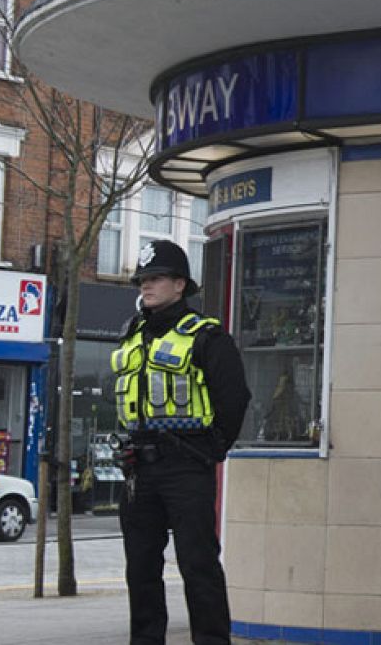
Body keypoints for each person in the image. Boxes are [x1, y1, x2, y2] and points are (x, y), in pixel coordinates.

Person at [113, 240, 251, 645]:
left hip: (186, 464)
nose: (146, 287)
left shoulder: (207, 336)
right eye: (142, 280)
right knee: (140, 567)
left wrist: (210, 450)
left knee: (198, 565)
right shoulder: (133, 334)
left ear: (179, 285)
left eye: (154, 279)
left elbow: (234, 397)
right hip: (139, 466)